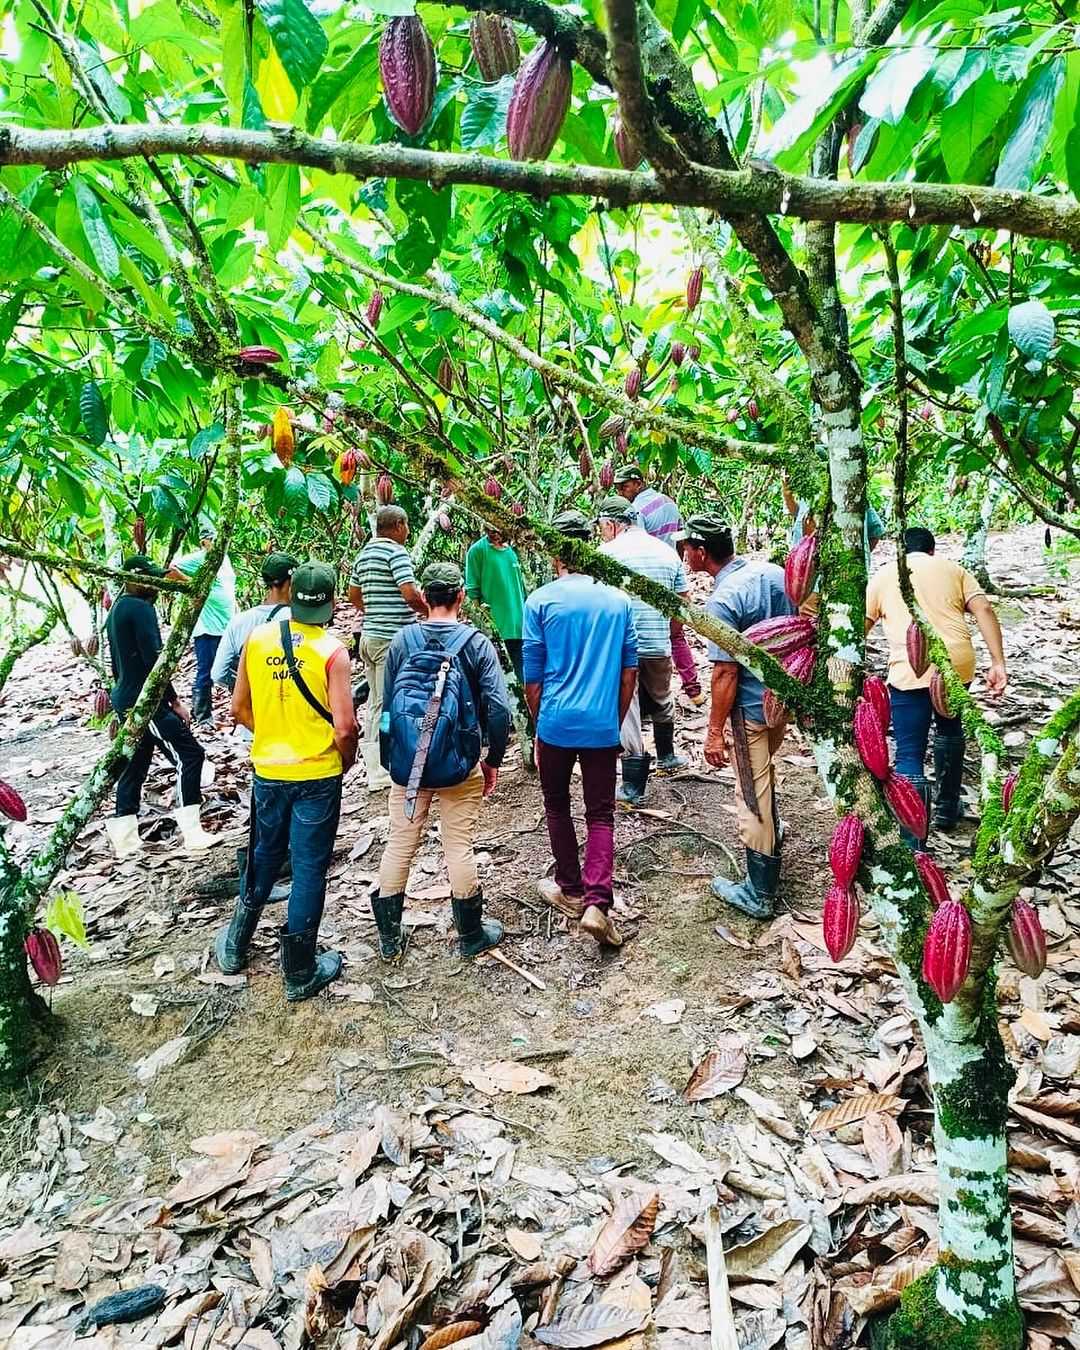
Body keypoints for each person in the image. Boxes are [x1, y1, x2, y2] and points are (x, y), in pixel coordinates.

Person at [216, 563, 358, 1001]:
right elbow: (345, 727)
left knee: (264, 855)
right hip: (316, 773)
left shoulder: (257, 640)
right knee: (310, 868)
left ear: (292, 597)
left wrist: (276, 736)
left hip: (269, 772)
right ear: (332, 603)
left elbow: (238, 708)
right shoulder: (332, 651)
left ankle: (236, 945)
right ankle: (299, 969)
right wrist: (344, 760)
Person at [371, 562, 512, 962]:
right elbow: (498, 709)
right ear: (461, 597)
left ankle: (388, 938)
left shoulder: (402, 641)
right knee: (458, 845)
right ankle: (470, 934)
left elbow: (386, 707)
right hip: (458, 763)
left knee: (401, 843)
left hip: (408, 766)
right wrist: (492, 759)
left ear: (424, 599)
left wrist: (392, 757)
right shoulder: (476, 643)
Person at [523, 509, 638, 948]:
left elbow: (533, 678)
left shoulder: (540, 601)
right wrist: (613, 718)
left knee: (556, 804)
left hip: (555, 720)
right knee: (601, 813)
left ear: (557, 553)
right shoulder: (618, 600)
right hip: (600, 723)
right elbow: (629, 672)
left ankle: (569, 886)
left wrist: (540, 725)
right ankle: (596, 902)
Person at [678, 514, 794, 919]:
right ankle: (772, 839)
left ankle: (760, 892)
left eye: (687, 548)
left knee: (751, 792)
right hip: (784, 699)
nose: (684, 554)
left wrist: (713, 731)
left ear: (702, 552)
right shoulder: (774, 572)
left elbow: (726, 671)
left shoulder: (724, 600)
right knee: (763, 777)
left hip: (750, 707)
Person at [866, 527, 1007, 836]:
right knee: (950, 728)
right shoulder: (954, 569)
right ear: (932, 550)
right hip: (957, 663)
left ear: (901, 552)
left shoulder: (887, 573)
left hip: (910, 668)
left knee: (909, 752)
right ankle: (946, 808)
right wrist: (998, 662)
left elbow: (863, 624)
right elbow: (983, 607)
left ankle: (914, 838)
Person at [104, 555, 215, 857]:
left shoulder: (117, 608)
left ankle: (125, 838)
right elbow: (157, 662)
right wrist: (174, 701)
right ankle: (192, 832)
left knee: (136, 764)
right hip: (145, 699)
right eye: (150, 579)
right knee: (190, 755)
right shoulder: (140, 609)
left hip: (126, 694)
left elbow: (117, 661)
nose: (156, 585)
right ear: (134, 580)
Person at [597, 494, 689, 804]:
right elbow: (682, 604)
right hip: (657, 641)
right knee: (662, 697)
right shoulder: (666, 551)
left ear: (611, 524)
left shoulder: (604, 554)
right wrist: (669, 635)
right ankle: (667, 756)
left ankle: (634, 786)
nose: (601, 533)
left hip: (622, 645)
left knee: (629, 710)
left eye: (601, 527)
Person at [348, 506, 428, 792]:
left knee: (376, 701)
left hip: (370, 637)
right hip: (389, 640)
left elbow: (353, 594)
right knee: (385, 703)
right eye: (406, 526)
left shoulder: (365, 553)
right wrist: (427, 610)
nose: (407, 532)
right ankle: (380, 770)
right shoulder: (396, 553)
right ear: (398, 525)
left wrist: (374, 611)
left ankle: (379, 764)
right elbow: (409, 592)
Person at [612, 465, 703, 704]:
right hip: (669, 572)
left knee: (641, 639)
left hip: (648, 578)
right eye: (618, 487)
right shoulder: (668, 502)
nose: (622, 491)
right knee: (676, 633)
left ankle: (645, 699)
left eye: (625, 486)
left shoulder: (635, 511)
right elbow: (680, 539)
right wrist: (678, 567)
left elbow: (637, 547)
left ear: (639, 483)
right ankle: (694, 690)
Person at [168, 525, 236, 724]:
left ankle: (239, 709)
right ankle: (202, 715)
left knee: (235, 669)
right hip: (208, 628)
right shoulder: (200, 558)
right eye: (212, 539)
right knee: (206, 671)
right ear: (204, 542)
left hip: (227, 626)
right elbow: (170, 568)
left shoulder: (225, 559)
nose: (218, 543)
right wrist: (194, 585)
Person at [211, 552, 297, 691]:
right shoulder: (297, 619)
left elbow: (218, 674)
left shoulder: (238, 621)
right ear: (291, 581)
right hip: (289, 702)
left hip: (252, 706)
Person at [464, 525, 527, 686]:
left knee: (522, 682)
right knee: (497, 683)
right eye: (489, 529)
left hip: (519, 629)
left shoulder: (513, 551)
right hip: (495, 631)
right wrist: (485, 626)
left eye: (497, 528)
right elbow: (472, 593)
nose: (494, 533)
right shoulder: (478, 551)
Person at [782, 474, 886, 569]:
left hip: (836, 570)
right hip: (804, 566)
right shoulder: (808, 491)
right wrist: (788, 496)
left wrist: (859, 558)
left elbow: (875, 531)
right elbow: (798, 513)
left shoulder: (850, 497)